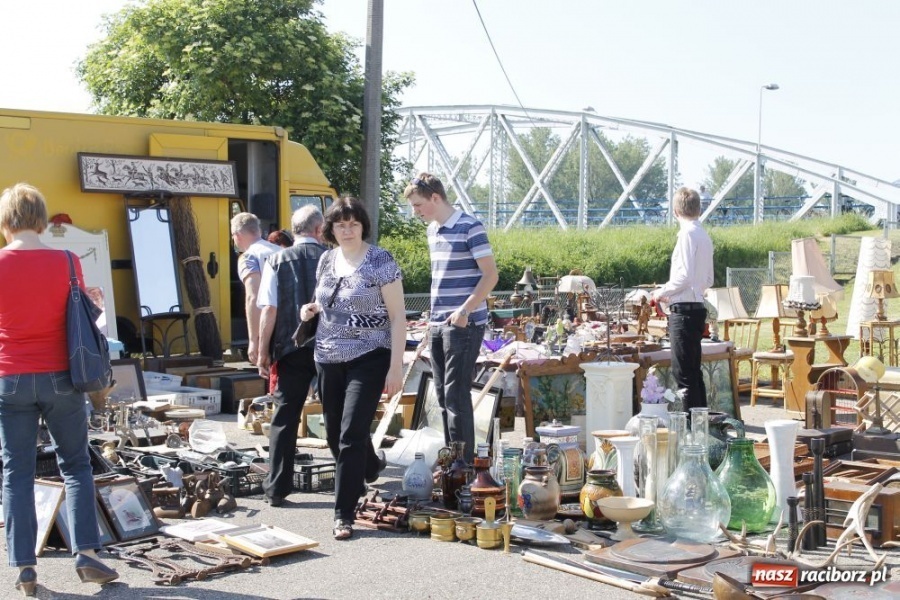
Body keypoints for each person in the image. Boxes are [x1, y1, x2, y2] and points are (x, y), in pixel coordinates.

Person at [0, 183, 119, 597]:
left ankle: (25, 567)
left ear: (6, 221)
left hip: (10, 377)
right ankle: (86, 552)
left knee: (16, 472)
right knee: (76, 465)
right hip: (63, 377)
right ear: (40, 217)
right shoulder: (68, 261)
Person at [299, 197, 404, 540]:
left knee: (350, 434)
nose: (347, 230)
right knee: (333, 434)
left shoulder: (381, 261)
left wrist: (395, 367)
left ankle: (343, 513)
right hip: (327, 355)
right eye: (340, 224)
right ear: (329, 229)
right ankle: (371, 466)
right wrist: (309, 311)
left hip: (370, 354)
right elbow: (325, 300)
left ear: (363, 226)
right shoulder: (327, 259)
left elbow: (398, 316)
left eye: (353, 224)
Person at [404, 173, 498, 463]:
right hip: (438, 322)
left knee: (456, 395)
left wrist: (466, 310)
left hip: (464, 323)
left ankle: (464, 466)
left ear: (435, 197)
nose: (415, 211)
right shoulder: (433, 231)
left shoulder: (470, 226)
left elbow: (491, 275)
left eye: (418, 205)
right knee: (443, 396)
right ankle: (451, 460)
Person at [256, 206, 326, 507]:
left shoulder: (276, 260)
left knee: (285, 417)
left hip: (290, 345)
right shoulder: (332, 258)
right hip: (330, 346)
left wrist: (262, 350)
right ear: (319, 230)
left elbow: (269, 310)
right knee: (340, 414)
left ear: (294, 230)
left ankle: (277, 487)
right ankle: (364, 468)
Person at [652, 187, 714, 411]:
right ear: (698, 208)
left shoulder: (687, 234)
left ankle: (690, 431)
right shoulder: (704, 235)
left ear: (676, 211)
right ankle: (701, 425)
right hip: (696, 306)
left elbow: (684, 276)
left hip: (684, 310)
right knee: (694, 373)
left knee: (683, 374)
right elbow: (708, 278)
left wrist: (662, 292)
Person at [231, 212, 281, 365]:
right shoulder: (281, 251)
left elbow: (253, 297)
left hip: (271, 329)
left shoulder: (248, 257)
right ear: (258, 231)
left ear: (238, 235)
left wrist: (254, 340)